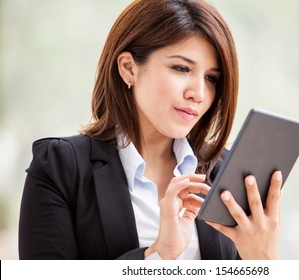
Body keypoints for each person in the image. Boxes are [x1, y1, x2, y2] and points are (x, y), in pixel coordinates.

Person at [19, 0, 282, 260]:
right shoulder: (61, 166)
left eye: (211, 78)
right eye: (181, 68)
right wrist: (158, 256)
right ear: (128, 68)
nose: (199, 94)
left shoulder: (225, 171)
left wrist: (263, 262)